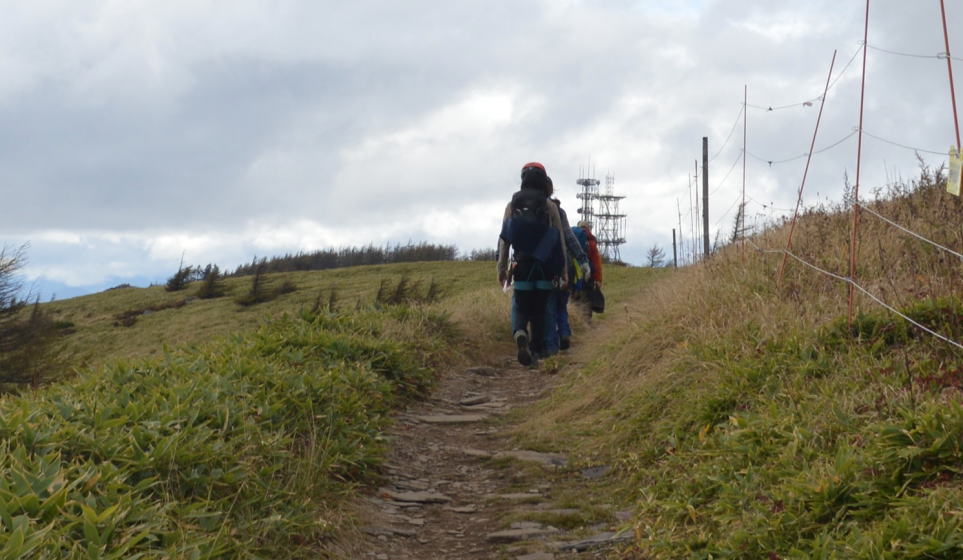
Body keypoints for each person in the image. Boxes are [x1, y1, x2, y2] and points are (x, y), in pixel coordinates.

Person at [497, 162, 568, 366]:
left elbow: (504, 240)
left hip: (521, 266)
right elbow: (559, 240)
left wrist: (502, 269)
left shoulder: (512, 205)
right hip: (545, 269)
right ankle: (539, 351)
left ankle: (520, 333)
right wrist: (563, 272)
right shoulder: (550, 206)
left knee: (520, 305)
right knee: (543, 310)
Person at [544, 188, 590, 354]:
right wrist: (583, 260)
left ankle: (551, 346)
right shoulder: (560, 212)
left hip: (543, 266)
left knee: (548, 306)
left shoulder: (532, 210)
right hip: (565, 265)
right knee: (561, 304)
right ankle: (564, 333)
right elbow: (570, 239)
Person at [570, 220, 603, 320]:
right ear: (588, 229)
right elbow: (596, 262)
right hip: (586, 276)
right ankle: (586, 324)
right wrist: (598, 280)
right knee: (586, 300)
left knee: (573, 299)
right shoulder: (590, 242)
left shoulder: (571, 237)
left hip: (572, 273)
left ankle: (573, 322)